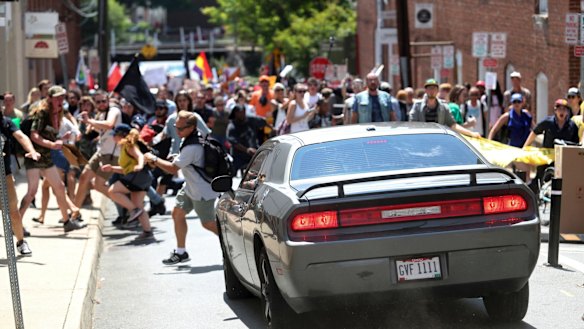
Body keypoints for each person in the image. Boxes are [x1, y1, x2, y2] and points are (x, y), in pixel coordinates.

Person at [143, 111, 220, 265]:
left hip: (201, 191)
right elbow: (181, 160)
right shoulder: (190, 139)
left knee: (208, 223)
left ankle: (233, 241)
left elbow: (172, 169)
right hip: (191, 187)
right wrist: (175, 157)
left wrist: (154, 159)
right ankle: (181, 252)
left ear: (192, 127)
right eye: (175, 128)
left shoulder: (193, 146)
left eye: (180, 129)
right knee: (177, 213)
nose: (177, 132)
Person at [18, 86, 86, 232]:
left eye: (62, 97)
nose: (61, 100)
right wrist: (52, 144)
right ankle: (16, 223)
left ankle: (67, 222)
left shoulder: (58, 113)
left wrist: (61, 138)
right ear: (49, 98)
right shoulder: (42, 113)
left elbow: (50, 135)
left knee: (60, 187)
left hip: (47, 156)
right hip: (34, 155)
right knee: (32, 191)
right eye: (57, 98)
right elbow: (34, 135)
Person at [101, 124, 154, 240]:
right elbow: (126, 170)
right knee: (139, 206)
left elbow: (140, 156)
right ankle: (147, 231)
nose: (113, 137)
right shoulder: (123, 148)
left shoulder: (128, 145)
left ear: (121, 135)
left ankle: (133, 210)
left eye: (114, 135)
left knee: (112, 191)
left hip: (138, 176)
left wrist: (140, 165)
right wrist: (112, 168)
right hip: (141, 177)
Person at [0, 110, 40, 255]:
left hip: (5, 176)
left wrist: (31, 150)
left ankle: (21, 242)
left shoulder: (5, 123)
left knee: (14, 213)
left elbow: (21, 136)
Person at [74, 90, 123, 208]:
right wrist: (89, 126)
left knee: (98, 185)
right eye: (98, 102)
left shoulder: (114, 110)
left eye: (104, 101)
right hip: (100, 152)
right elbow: (100, 130)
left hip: (112, 154)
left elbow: (109, 124)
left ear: (108, 100)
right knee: (83, 178)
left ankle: (126, 206)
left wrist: (90, 121)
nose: (102, 104)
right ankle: (74, 213)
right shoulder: (100, 115)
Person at [409, 79, 481, 138]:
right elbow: (412, 125)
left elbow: (453, 125)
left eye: (434, 88)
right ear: (426, 90)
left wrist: (471, 133)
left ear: (437, 91)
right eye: (429, 88)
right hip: (422, 140)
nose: (432, 91)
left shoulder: (443, 106)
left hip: (439, 141)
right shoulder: (417, 106)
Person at [227, 104, 267, 175]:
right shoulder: (232, 126)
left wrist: (272, 129)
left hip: (253, 153)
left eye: (243, 112)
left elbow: (263, 122)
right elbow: (234, 142)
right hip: (239, 155)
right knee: (232, 173)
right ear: (235, 114)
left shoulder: (251, 120)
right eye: (240, 113)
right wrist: (247, 150)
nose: (242, 114)